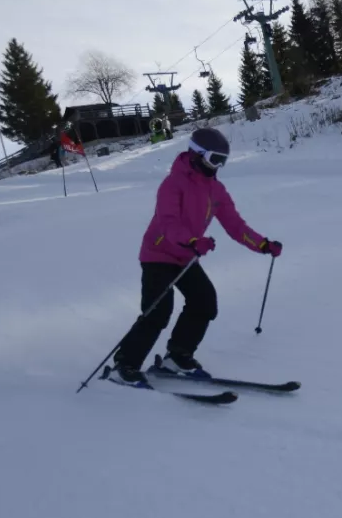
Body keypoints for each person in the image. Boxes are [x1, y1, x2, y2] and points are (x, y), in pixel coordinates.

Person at [109, 127, 282, 386]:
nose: (217, 166)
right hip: (158, 254)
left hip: (186, 256)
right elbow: (168, 223)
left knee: (204, 302)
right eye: (214, 159)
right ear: (196, 154)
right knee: (158, 311)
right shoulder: (172, 185)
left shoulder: (216, 190)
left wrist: (263, 245)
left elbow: (235, 225)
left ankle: (178, 356)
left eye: (222, 161)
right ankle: (124, 365)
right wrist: (191, 241)